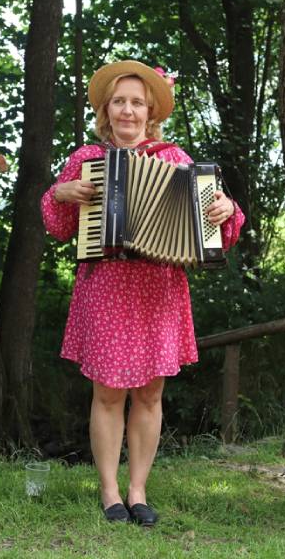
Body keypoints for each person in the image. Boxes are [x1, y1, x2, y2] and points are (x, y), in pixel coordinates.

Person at [41, 60, 244, 526]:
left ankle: (138, 491)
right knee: (109, 393)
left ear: (150, 110)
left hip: (159, 287)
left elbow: (218, 227)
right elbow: (56, 225)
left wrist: (226, 209)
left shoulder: (174, 160)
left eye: (136, 102)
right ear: (106, 110)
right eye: (119, 102)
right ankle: (110, 493)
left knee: (151, 394)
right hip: (108, 284)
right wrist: (62, 194)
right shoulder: (85, 160)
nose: (128, 111)